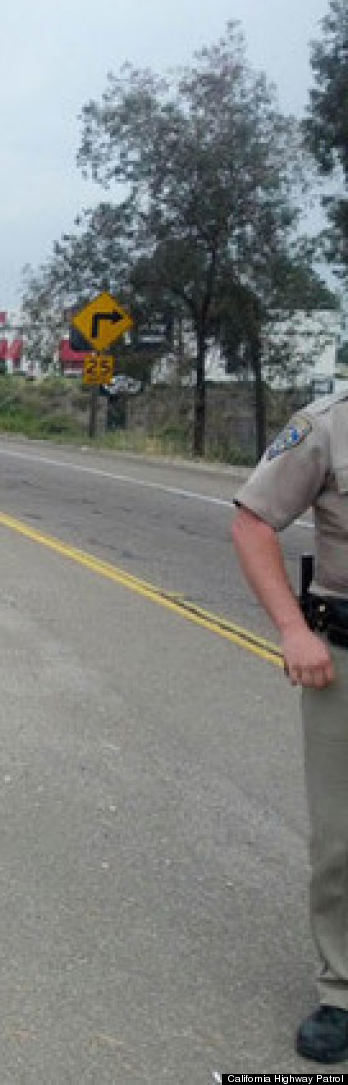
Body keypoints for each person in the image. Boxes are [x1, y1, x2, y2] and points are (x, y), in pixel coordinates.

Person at [231, 393, 348, 1064]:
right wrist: (293, 630)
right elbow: (253, 521)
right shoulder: (329, 423)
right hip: (343, 660)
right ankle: (342, 993)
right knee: (341, 838)